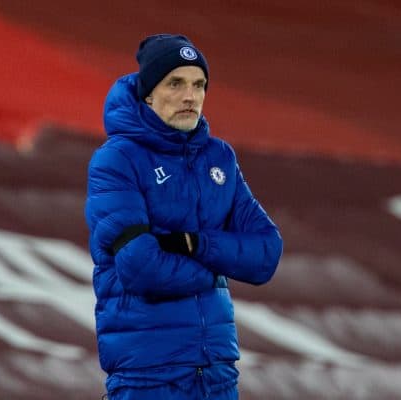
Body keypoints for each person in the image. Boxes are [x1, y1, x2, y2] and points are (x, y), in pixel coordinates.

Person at [85, 33, 283, 400]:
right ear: (148, 94)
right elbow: (140, 267)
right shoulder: (117, 160)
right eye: (175, 83)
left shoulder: (219, 158)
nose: (190, 96)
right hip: (148, 374)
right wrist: (216, 271)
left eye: (199, 84)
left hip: (217, 372)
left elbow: (267, 253)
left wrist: (197, 244)